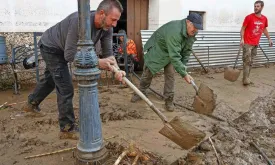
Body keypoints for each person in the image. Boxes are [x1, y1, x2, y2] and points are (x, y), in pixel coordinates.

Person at [21, 0, 125, 140]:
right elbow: (70, 55)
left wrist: (117, 70)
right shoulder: (80, 22)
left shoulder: (107, 28)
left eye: (116, 20)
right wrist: (98, 62)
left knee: (51, 80)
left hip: (63, 48)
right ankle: (67, 129)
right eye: (113, 19)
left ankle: (31, 104)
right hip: (51, 47)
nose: (115, 24)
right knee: (65, 87)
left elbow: (108, 55)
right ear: (102, 14)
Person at [131, 13, 202, 112]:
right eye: (194, 27)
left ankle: (169, 100)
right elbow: (175, 56)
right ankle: (141, 92)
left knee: (170, 76)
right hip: (158, 50)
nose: (195, 30)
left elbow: (186, 51)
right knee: (148, 73)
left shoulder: (192, 33)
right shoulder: (175, 31)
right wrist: (184, 74)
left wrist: (183, 68)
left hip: (171, 53)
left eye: (198, 28)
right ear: (188, 22)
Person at [240, 0, 273, 85]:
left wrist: (269, 39)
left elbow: (264, 29)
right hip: (247, 43)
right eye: (255, 6)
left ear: (262, 7)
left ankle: (246, 78)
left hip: (255, 43)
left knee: (251, 62)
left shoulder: (264, 19)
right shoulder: (249, 17)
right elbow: (243, 28)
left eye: (258, 6)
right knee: (247, 61)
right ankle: (245, 80)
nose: (256, 8)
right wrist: (242, 39)